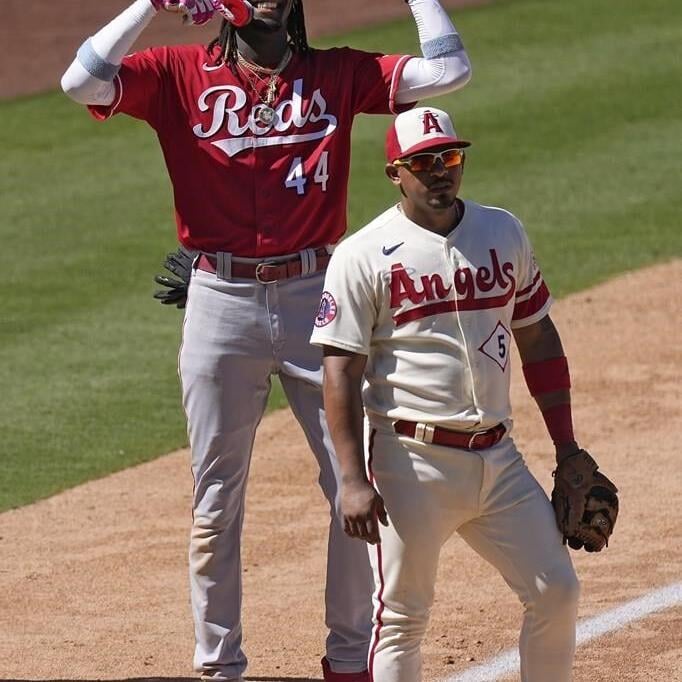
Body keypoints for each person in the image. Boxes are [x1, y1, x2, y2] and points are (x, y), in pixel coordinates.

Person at [60, 2, 472, 680]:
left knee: (353, 481)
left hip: (320, 293)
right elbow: (82, 81)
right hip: (219, 301)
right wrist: (148, 4)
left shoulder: (338, 74)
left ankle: (348, 661)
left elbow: (451, 70)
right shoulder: (177, 72)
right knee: (216, 497)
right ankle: (219, 666)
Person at [311, 106, 616, 681]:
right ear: (394, 174)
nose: (439, 172)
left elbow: (539, 337)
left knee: (556, 591)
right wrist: (351, 478)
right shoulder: (361, 255)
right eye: (422, 163)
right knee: (401, 618)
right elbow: (340, 372)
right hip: (410, 464)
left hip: (499, 460)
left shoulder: (502, 231)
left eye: (449, 158)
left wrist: (568, 447)